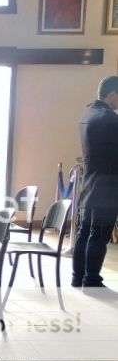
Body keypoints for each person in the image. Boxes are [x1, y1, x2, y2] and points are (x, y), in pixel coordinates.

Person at [72, 75, 118, 289]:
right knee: (99, 234)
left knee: (84, 232)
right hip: (108, 186)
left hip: (90, 182)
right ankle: (91, 279)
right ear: (112, 94)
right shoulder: (110, 119)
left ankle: (78, 276)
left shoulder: (88, 114)